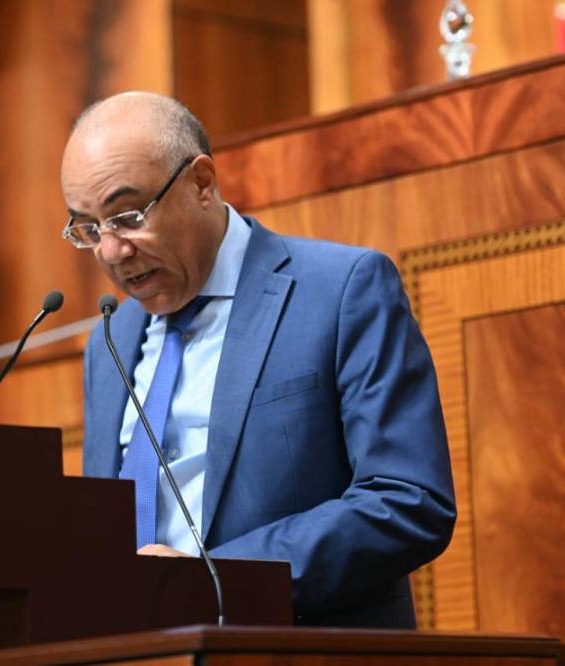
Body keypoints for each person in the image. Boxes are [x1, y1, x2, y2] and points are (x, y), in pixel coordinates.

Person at [62, 91, 456, 628]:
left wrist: (215, 581)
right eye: (88, 228)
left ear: (202, 183)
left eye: (128, 216)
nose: (111, 250)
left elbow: (409, 500)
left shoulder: (340, 292)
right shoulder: (110, 343)